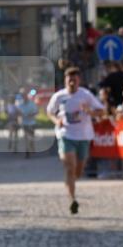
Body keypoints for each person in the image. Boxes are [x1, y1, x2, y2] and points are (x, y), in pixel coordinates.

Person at [46, 67, 104, 214]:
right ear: (65, 80)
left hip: (83, 136)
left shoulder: (86, 95)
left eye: (75, 79)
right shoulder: (59, 96)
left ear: (79, 81)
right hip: (66, 135)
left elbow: (101, 111)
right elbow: (49, 111)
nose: (72, 82)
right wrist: (56, 120)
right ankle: (72, 199)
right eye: (69, 79)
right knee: (70, 168)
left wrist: (89, 111)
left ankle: (72, 181)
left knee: (78, 171)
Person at [18, 89, 38, 158]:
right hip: (24, 123)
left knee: (31, 138)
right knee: (26, 137)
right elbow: (18, 113)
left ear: (27, 96)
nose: (24, 97)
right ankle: (27, 151)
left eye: (25, 95)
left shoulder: (32, 103)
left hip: (32, 123)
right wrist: (20, 116)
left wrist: (31, 115)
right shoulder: (20, 105)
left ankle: (32, 148)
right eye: (22, 96)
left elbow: (36, 112)